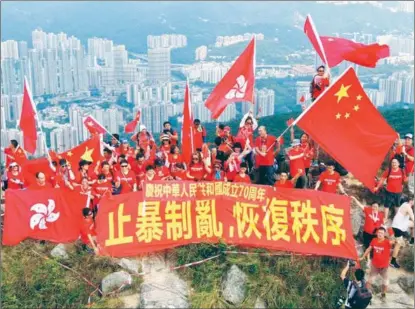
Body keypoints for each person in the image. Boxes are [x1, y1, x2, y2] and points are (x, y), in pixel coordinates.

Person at [360, 227, 395, 300]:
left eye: (381, 233)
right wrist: (363, 257)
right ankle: (364, 294)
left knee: (385, 282)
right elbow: (369, 249)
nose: (380, 234)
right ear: (376, 233)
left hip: (384, 267)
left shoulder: (387, 242)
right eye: (378, 233)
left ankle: (383, 294)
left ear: (384, 234)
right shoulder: (374, 240)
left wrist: (390, 230)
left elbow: (394, 241)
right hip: (375, 266)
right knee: (370, 280)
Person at [390, 198, 414, 268]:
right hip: (398, 227)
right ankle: (392, 262)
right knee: (398, 244)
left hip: (401, 224)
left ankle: (412, 240)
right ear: (411, 200)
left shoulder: (405, 204)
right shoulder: (407, 206)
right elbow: (413, 218)